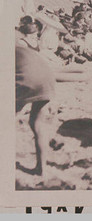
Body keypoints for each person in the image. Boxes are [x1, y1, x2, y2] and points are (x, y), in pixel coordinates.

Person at [15, 45, 56, 176]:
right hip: (47, 78)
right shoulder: (21, 48)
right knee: (38, 125)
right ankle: (41, 169)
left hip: (27, 78)